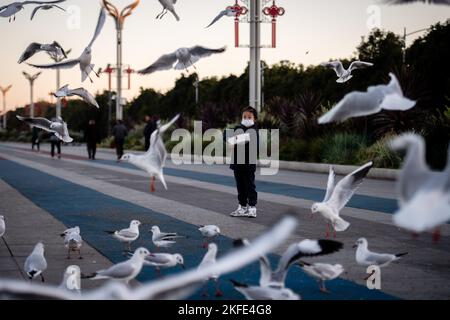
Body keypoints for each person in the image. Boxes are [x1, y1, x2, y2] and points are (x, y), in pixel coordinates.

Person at [226, 106, 259, 218]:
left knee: (250, 186)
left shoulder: (254, 131)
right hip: (237, 164)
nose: (246, 118)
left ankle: (252, 208)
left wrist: (235, 140)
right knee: (240, 187)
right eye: (244, 116)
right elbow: (225, 135)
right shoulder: (237, 128)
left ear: (254, 119)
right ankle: (242, 207)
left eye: (249, 117)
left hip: (248, 164)